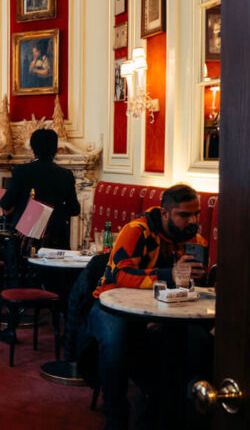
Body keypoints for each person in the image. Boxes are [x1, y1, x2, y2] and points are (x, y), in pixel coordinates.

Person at [89, 184, 210, 430]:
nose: (193, 221)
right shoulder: (137, 231)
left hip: (165, 310)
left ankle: (172, 410)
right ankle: (115, 412)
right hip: (111, 305)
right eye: (184, 215)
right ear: (165, 214)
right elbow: (119, 275)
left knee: (201, 341)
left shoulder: (196, 241)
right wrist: (170, 274)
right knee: (115, 339)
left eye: (196, 214)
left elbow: (192, 286)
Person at [0, 129, 80, 249]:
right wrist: (55, 211)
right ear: (55, 149)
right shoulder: (66, 175)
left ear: (32, 148)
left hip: (24, 241)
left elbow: (5, 203)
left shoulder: (20, 171)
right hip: (55, 241)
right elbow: (74, 209)